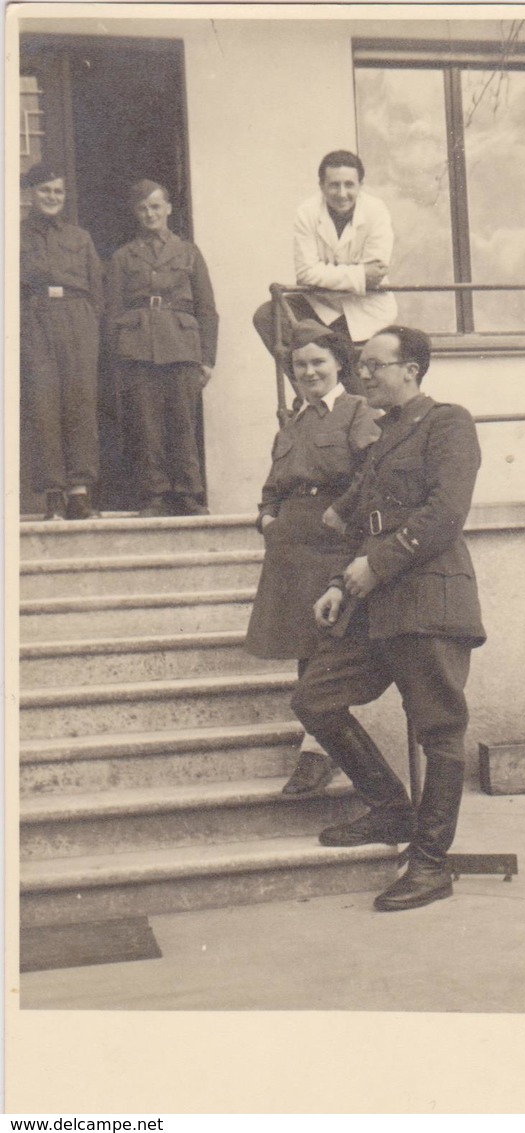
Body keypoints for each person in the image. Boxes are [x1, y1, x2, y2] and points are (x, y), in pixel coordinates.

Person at [290, 325, 486, 911]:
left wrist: (373, 568)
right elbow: (351, 524)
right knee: (314, 699)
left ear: (412, 369)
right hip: (375, 607)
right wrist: (337, 584)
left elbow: (445, 513)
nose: (363, 374)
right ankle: (391, 808)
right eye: (361, 365)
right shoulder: (381, 439)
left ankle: (431, 862)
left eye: (375, 365)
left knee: (438, 731)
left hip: (428, 600)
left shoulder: (447, 423)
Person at [245, 320, 382, 795]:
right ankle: (319, 748)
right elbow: (271, 487)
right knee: (305, 648)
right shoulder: (293, 422)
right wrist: (267, 519)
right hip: (290, 547)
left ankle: (317, 752)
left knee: (329, 650)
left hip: (334, 542)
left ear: (339, 364)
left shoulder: (357, 410)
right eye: (299, 365)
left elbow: (371, 474)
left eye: (317, 362)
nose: (308, 372)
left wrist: (342, 515)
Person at [106, 179, 219, 517]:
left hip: (182, 345)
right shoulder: (123, 256)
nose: (150, 214)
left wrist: (207, 359)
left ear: (168, 208)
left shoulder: (188, 252)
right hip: (138, 346)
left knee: (182, 421)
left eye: (156, 206)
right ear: (135, 214)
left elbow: (207, 308)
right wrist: (118, 357)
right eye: (142, 209)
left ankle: (187, 493)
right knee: (147, 423)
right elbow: (111, 312)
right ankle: (154, 494)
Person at [253, 150, 398, 391]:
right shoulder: (307, 212)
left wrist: (329, 276)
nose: (342, 194)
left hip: (367, 311)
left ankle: (336, 398)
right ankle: (312, 389)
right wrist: (359, 276)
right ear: (321, 186)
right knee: (269, 315)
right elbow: (306, 275)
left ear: (361, 185)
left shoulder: (376, 211)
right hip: (321, 308)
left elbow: (376, 274)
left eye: (349, 185)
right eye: (334, 185)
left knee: (359, 393)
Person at [20, 161, 103, 520]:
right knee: (43, 402)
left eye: (58, 191)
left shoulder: (79, 237)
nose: (52, 197)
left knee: (79, 401)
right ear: (30, 194)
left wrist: (87, 325)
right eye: (45, 190)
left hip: (76, 317)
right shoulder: (16, 235)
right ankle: (52, 493)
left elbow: (96, 289)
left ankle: (79, 492)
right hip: (35, 317)